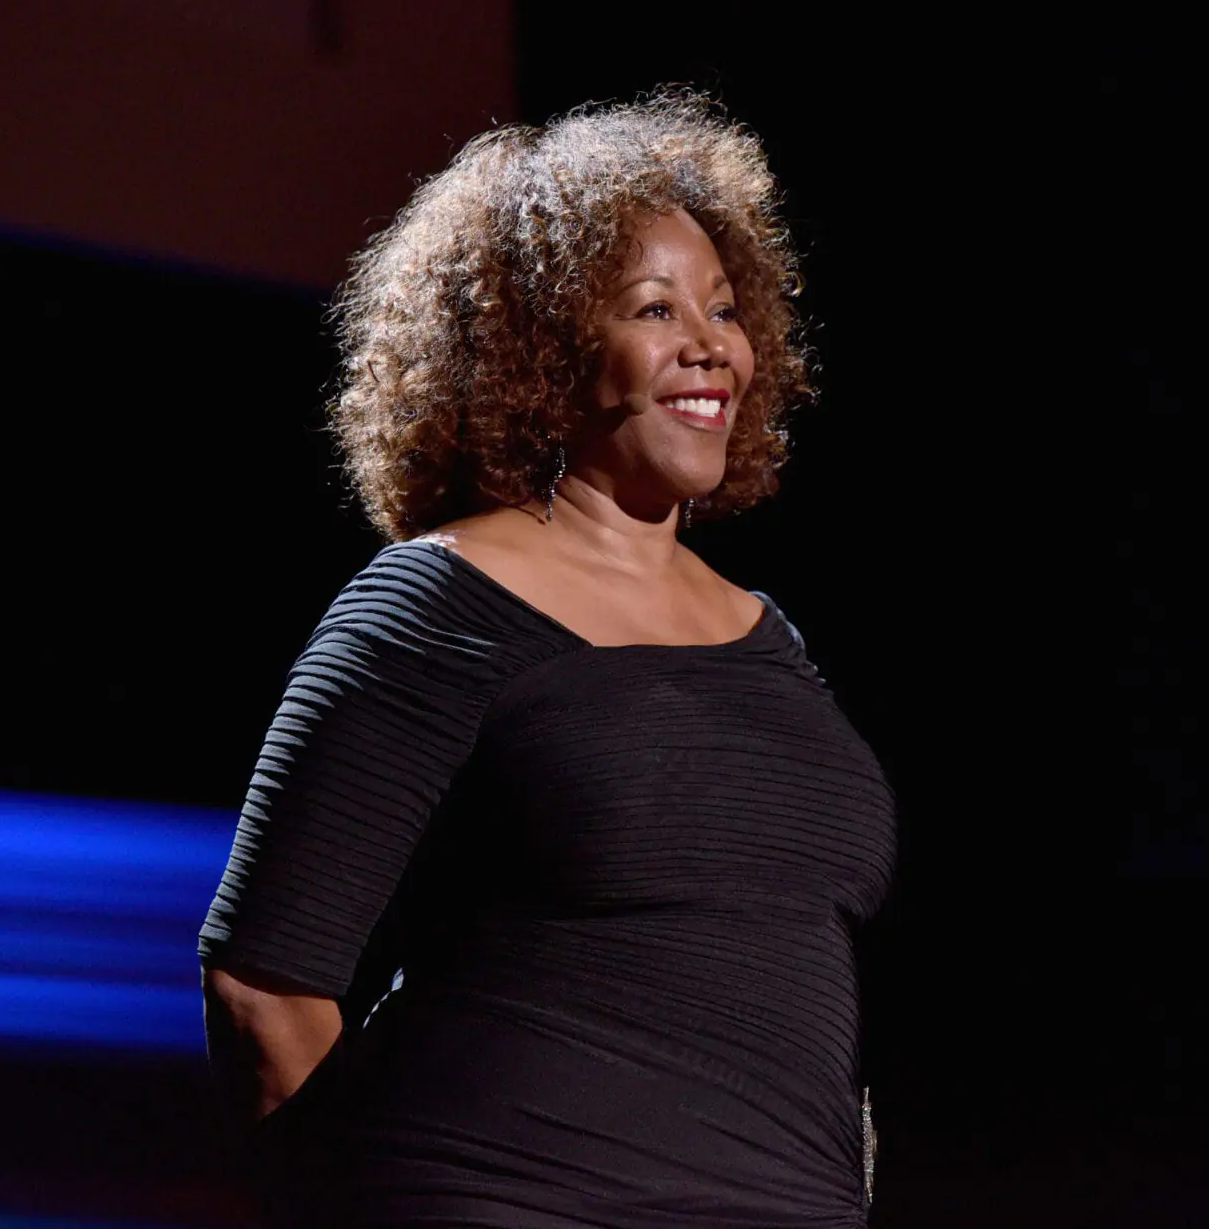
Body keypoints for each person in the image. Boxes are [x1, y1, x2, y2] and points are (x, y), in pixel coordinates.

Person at [199, 92, 895, 1228]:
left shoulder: (772, 640)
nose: (709, 343)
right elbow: (265, 985)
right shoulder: (435, 600)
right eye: (654, 308)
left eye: (723, 308)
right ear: (545, 343)